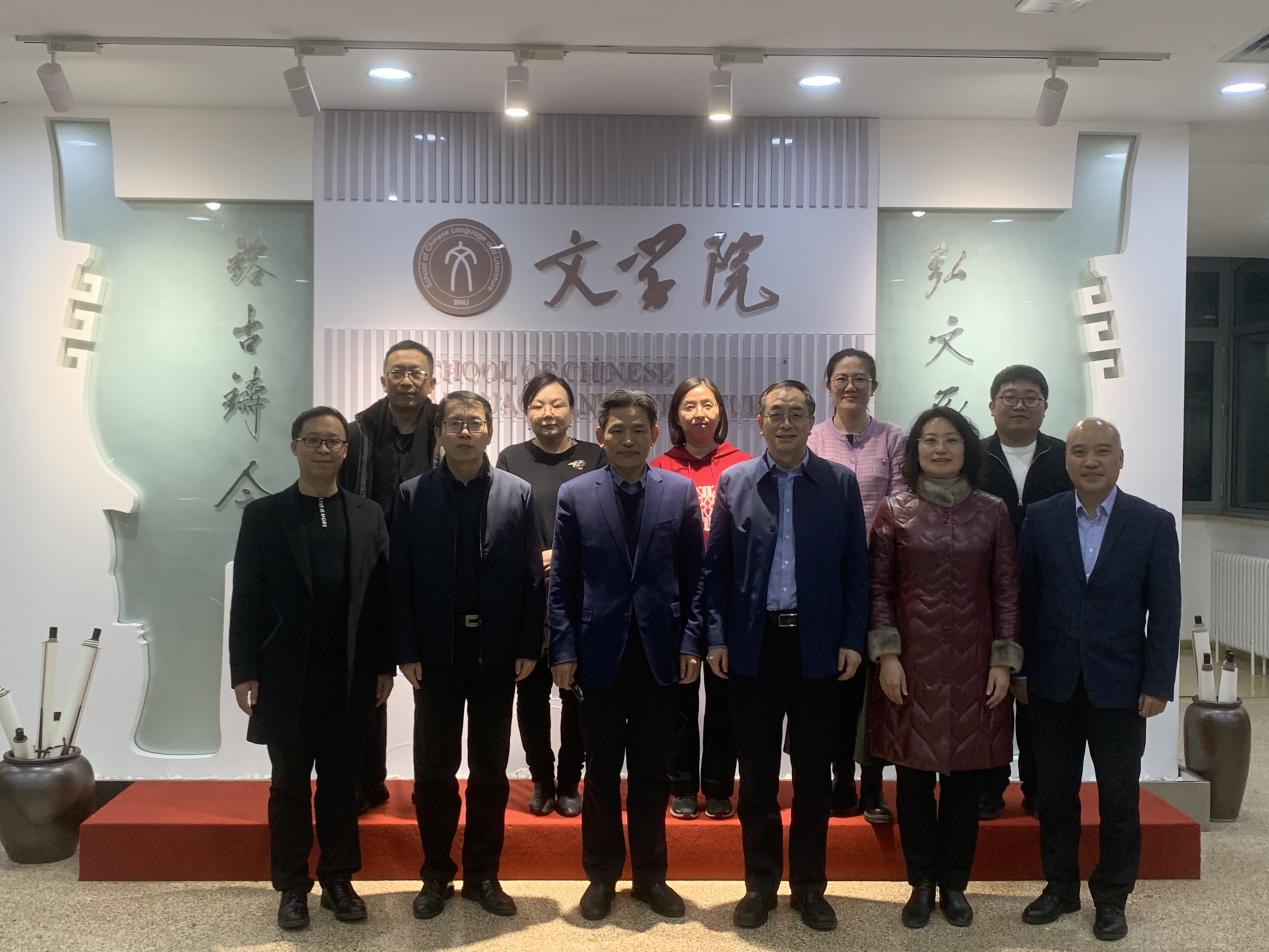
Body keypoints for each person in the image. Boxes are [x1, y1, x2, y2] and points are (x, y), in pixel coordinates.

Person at [699, 379, 868, 932]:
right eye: (776, 413)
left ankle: (810, 887)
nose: (786, 422)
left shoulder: (839, 483)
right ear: (760, 420)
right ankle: (760, 884)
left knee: (815, 775)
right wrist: (717, 637)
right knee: (757, 775)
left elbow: (856, 569)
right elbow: (716, 570)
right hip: (755, 645)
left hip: (819, 647)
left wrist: (852, 639)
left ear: (811, 420)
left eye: (797, 413)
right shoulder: (736, 481)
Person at [229, 407, 394, 930]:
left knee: (343, 785)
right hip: (285, 674)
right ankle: (292, 887)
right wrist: (244, 670)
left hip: (349, 674)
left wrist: (383, 665)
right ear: (294, 446)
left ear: (346, 450)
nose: (324, 449)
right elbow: (246, 598)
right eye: (314, 440)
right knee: (289, 786)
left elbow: (380, 600)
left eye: (334, 442)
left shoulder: (368, 514)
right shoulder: (265, 515)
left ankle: (339, 880)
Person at [1017, 418, 1180, 943]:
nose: (1091, 461)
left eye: (1102, 451)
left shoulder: (1152, 523)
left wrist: (1158, 682)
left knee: (1119, 797)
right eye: (1080, 451)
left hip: (1122, 685)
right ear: (1066, 460)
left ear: (1120, 459)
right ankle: (1060, 888)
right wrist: (1021, 669)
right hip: (1051, 682)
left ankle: (1112, 897)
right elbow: (1024, 601)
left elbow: (1165, 610)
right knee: (1053, 794)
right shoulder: (1040, 518)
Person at [549, 389, 705, 923]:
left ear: (655, 435)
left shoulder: (678, 492)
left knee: (653, 771)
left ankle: (651, 876)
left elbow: (695, 577)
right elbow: (562, 582)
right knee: (599, 770)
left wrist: (691, 641)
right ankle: (601, 876)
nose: (628, 439)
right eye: (617, 430)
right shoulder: (575, 494)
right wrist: (563, 649)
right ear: (600, 435)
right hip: (598, 653)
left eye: (639, 429)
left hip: (660, 652)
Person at [391, 390, 544, 920]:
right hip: (436, 654)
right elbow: (400, 578)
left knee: (490, 771)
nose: (464, 432)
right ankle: (436, 875)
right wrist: (406, 648)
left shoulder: (517, 493)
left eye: (474, 423)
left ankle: (483, 875)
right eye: (453, 423)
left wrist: (528, 644)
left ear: (489, 431)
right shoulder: (412, 494)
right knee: (434, 771)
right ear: (439, 432)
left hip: (496, 652)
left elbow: (532, 576)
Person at [867, 406, 1022, 930]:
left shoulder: (993, 511)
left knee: (963, 785)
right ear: (915, 451)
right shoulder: (894, 510)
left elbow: (1006, 588)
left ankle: (955, 885)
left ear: (966, 449)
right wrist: (888, 655)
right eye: (929, 440)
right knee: (913, 783)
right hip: (910, 665)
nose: (939, 449)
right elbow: (878, 588)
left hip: (976, 665)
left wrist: (1003, 660)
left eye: (950, 440)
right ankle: (920, 883)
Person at [496, 372, 604, 818]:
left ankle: (570, 780)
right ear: (526, 411)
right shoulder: (511, 458)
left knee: (577, 692)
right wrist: (532, 556)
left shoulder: (594, 457)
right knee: (531, 692)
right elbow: (501, 523)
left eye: (557, 404)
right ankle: (541, 778)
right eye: (539, 405)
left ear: (571, 410)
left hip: (581, 592)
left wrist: (562, 553)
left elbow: (605, 520)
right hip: (528, 593)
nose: (548, 413)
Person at [339, 339, 438, 814]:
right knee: (367, 680)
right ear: (383, 379)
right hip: (370, 570)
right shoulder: (356, 431)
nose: (406, 380)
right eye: (398, 372)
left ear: (431, 381)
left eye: (416, 373)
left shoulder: (448, 427)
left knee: (431, 685)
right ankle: (367, 780)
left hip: (429, 573)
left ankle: (430, 784)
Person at [807, 347, 905, 825]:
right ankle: (838, 778)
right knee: (833, 684)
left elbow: (902, 503)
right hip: (827, 580)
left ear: (874, 386)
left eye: (860, 378)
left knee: (873, 687)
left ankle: (873, 785)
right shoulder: (812, 437)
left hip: (882, 576)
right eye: (842, 378)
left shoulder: (893, 438)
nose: (851, 386)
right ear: (828, 384)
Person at [651, 376, 750, 822]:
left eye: (707, 404)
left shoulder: (742, 466)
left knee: (727, 699)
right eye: (689, 406)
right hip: (678, 597)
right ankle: (682, 785)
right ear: (676, 416)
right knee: (679, 699)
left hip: (729, 599)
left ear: (720, 412)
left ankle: (719, 786)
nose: (699, 413)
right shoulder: (660, 468)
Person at [977, 364, 1072, 820]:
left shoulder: (1065, 456)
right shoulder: (973, 456)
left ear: (1045, 406)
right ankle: (987, 787)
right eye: (1009, 396)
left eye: (1030, 397)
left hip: (1049, 594)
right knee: (989, 694)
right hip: (983, 595)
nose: (1019, 404)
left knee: (1042, 696)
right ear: (992, 405)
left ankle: (1039, 788)